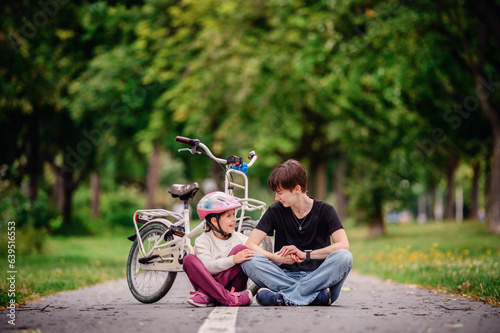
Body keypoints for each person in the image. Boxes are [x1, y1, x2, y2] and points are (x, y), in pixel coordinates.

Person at [241, 159, 353, 306]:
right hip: (283, 276)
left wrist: (305, 254)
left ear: (297, 189)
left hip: (319, 276)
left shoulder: (326, 211)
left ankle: (283, 298)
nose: (276, 198)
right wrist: (276, 258)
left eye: (280, 193)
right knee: (247, 258)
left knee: (344, 257)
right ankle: (314, 297)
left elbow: (343, 245)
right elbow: (250, 245)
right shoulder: (275, 211)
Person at [182, 191, 255, 307]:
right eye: (229, 216)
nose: (234, 219)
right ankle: (226, 298)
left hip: (233, 289)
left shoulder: (240, 239)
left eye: (234, 215)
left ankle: (208, 295)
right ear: (214, 221)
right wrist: (233, 260)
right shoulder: (202, 241)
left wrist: (278, 256)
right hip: (231, 296)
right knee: (188, 259)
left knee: (241, 249)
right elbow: (207, 268)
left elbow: (259, 254)